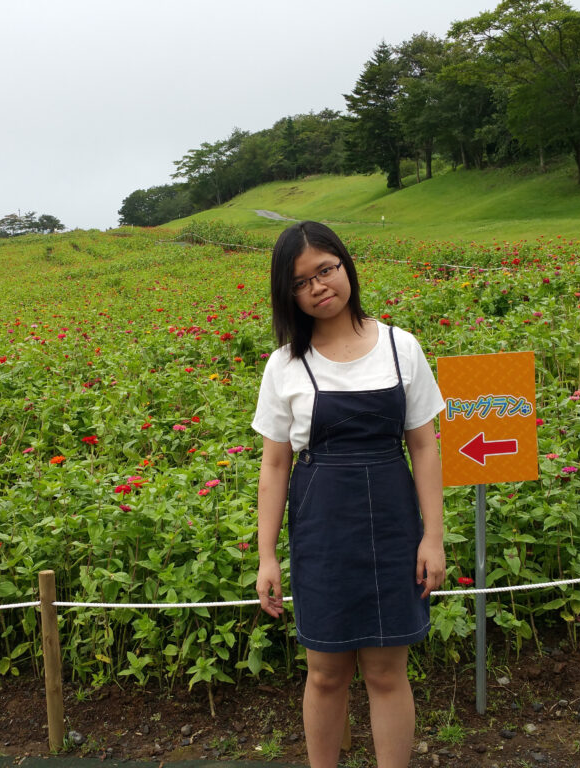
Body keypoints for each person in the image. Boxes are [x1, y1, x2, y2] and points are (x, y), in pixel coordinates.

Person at [252, 221, 446, 768]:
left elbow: (425, 448)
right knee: (325, 672)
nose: (319, 286)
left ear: (345, 267)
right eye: (301, 281)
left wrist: (433, 537)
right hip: (322, 529)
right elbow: (274, 465)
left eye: (326, 269)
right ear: (287, 295)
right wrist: (267, 555)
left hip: (392, 524)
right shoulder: (285, 364)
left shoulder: (400, 346)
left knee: (387, 672)